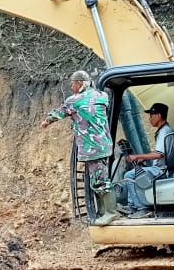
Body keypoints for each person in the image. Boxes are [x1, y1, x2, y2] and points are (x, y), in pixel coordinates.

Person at [40, 70, 119, 225]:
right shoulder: (102, 96)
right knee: (98, 178)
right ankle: (102, 211)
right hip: (104, 145)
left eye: (73, 82)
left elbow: (59, 113)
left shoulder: (74, 101)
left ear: (80, 83)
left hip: (92, 147)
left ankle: (110, 212)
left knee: (100, 180)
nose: (71, 85)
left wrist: (46, 121)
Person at [120, 102, 173, 218]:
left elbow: (159, 154)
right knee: (132, 173)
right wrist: (141, 158)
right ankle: (132, 205)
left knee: (129, 175)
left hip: (161, 170)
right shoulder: (165, 130)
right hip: (160, 167)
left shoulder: (164, 131)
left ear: (158, 116)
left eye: (151, 115)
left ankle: (141, 208)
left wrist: (138, 156)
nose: (150, 119)